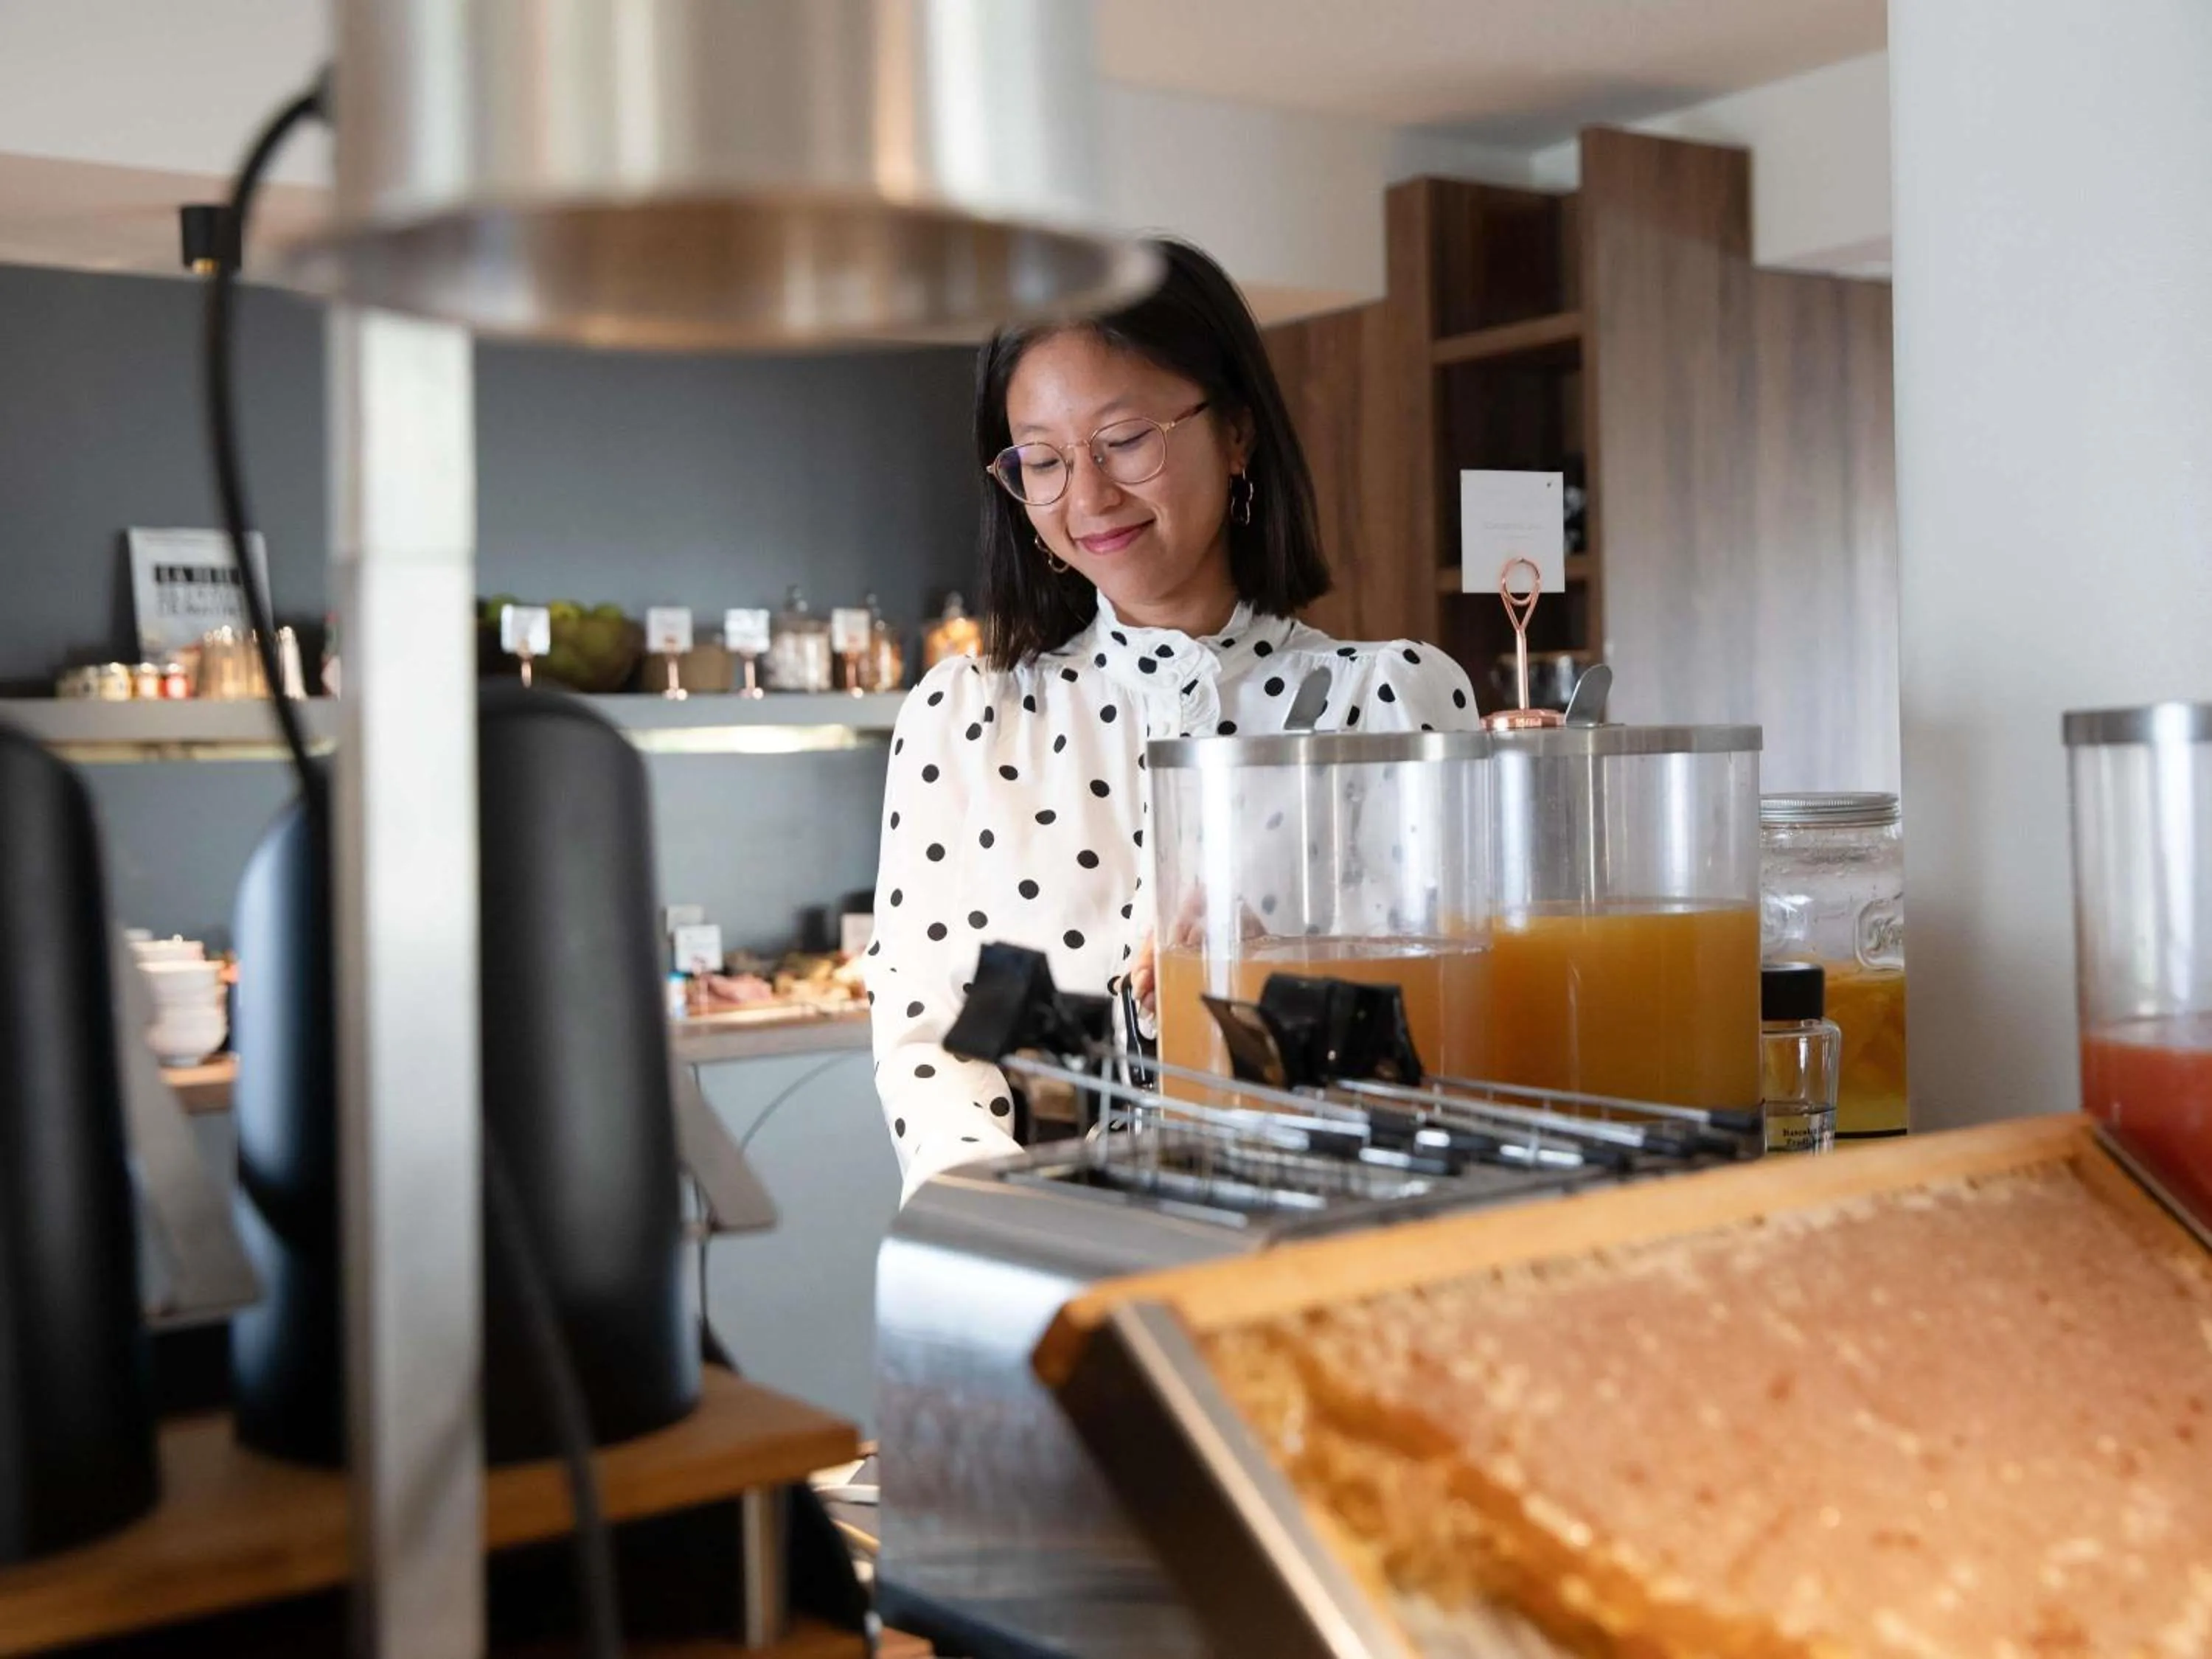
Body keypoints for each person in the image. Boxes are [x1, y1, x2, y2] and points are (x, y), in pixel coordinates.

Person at [866, 238, 1478, 1199]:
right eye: (1044, 459)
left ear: (1235, 431)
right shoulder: (965, 716)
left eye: (1125, 439)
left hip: (1307, 1250)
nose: (1090, 495)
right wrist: (1007, 1230)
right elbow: (924, 1033)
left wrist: (1278, 978)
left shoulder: (1388, 704)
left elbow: (1461, 1047)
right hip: (1037, 1268)